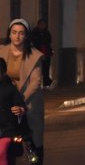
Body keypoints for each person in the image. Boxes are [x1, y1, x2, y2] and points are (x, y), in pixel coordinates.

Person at [0, 19, 44, 163]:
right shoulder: (2, 51)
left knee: (32, 141)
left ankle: (35, 160)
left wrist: (20, 102)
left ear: (26, 35)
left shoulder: (34, 55)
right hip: (5, 102)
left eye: (21, 33)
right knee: (7, 143)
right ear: (9, 35)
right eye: (14, 33)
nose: (17, 36)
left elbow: (36, 81)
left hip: (28, 100)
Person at [0, 57, 26, 165]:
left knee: (2, 153)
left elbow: (20, 104)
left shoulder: (10, 88)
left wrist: (20, 109)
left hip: (7, 130)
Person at [30, 20, 53, 88]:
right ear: (38, 25)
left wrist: (50, 51)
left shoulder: (47, 33)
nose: (43, 26)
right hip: (37, 54)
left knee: (46, 69)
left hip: (46, 53)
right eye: (41, 24)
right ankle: (36, 84)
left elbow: (49, 42)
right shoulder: (34, 33)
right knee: (37, 70)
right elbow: (33, 43)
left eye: (44, 24)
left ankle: (46, 83)